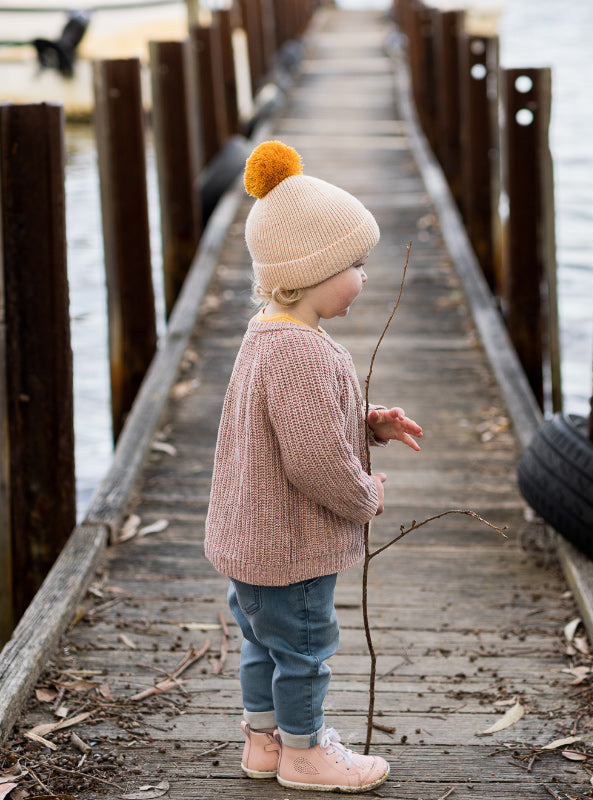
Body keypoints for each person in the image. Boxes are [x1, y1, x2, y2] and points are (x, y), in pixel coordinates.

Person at [204, 140, 422, 793]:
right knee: (304, 649)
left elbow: (296, 426)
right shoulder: (301, 353)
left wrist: (367, 423)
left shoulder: (269, 333)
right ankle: (304, 754)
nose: (364, 277)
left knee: (262, 644)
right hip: (290, 547)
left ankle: (264, 741)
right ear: (312, 272)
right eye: (355, 264)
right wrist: (365, 495)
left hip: (253, 542)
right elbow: (313, 459)